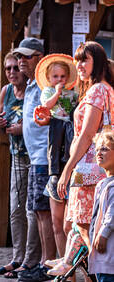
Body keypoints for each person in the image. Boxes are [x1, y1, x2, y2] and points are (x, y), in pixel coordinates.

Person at [57, 42, 113, 249]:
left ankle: (98, 275)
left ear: (97, 62)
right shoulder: (105, 89)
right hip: (97, 166)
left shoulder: (98, 90)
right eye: (77, 60)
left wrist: (67, 169)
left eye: (84, 60)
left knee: (82, 228)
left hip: (89, 167)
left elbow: (87, 134)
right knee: (76, 229)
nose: (78, 65)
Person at [13, 37, 54, 282]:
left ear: (40, 57)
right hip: (34, 157)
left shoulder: (45, 86)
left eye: (26, 56)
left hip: (44, 158)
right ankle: (41, 262)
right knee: (38, 212)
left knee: (44, 212)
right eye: (19, 56)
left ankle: (47, 264)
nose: (21, 61)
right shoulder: (30, 86)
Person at [34, 54, 79, 261]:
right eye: (55, 77)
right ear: (49, 78)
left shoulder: (72, 93)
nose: (59, 80)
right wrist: (57, 93)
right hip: (56, 132)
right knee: (56, 220)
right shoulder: (48, 91)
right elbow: (48, 107)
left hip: (68, 131)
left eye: (62, 76)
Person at [0, 53, 31, 278]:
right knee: (16, 209)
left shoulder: (33, 90)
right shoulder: (6, 91)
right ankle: (18, 258)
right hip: (16, 155)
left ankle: (29, 260)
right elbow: (1, 123)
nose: (11, 73)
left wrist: (22, 128)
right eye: (8, 69)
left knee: (31, 210)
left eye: (16, 68)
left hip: (35, 156)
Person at [89, 130, 114, 281]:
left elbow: (112, 212)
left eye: (105, 148)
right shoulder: (102, 184)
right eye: (97, 149)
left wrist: (104, 233)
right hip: (102, 258)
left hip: (110, 257)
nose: (99, 152)